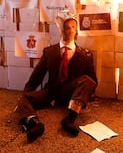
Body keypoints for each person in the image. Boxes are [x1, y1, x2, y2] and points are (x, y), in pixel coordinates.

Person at [15, 11, 98, 143]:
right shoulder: (49, 52)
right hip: (51, 92)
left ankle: (70, 118)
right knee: (24, 96)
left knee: (87, 80)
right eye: (66, 27)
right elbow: (36, 77)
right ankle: (33, 124)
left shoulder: (85, 55)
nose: (70, 31)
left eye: (73, 27)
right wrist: (23, 101)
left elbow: (93, 82)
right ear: (59, 29)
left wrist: (83, 98)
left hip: (71, 94)